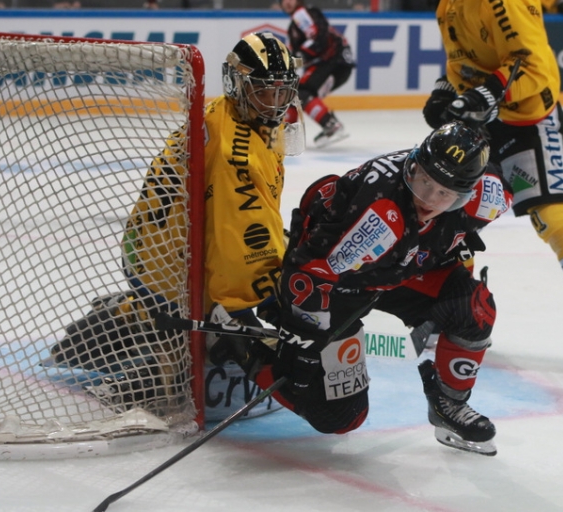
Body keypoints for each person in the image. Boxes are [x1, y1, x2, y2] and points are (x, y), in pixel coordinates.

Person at [211, 121, 514, 455]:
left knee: (475, 308)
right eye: (424, 181)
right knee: (340, 416)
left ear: (465, 195)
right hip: (342, 285)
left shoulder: (485, 197)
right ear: (414, 165)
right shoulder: (379, 218)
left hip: (398, 272)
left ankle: (449, 406)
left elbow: (507, 178)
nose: (428, 198)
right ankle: (238, 336)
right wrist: (304, 336)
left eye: (444, 193)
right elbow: (309, 274)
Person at [50, 32, 302, 420]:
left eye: (282, 93)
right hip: (172, 269)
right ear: (238, 84)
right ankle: (151, 366)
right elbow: (238, 259)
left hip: (150, 249)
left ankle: (128, 313)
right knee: (189, 379)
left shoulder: (225, 111)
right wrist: (272, 304)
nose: (274, 104)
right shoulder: (236, 155)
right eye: (264, 92)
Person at [422, 0, 563, 377]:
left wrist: (488, 92)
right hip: (487, 124)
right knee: (455, 210)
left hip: (529, 120)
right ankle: (450, 310)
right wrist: (446, 89)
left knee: (554, 216)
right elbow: (462, 61)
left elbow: (535, 64)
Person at [279, 0, 355, 149]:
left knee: (301, 92)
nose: (287, 2)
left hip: (335, 63)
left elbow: (318, 40)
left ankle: (331, 125)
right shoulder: (295, 24)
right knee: (296, 92)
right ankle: (288, 134)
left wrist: (297, 57)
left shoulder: (301, 15)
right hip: (336, 63)